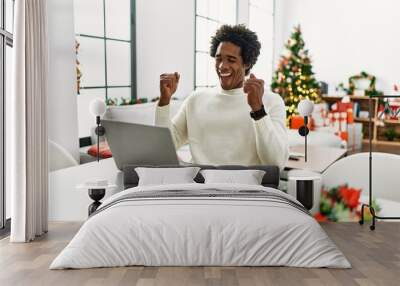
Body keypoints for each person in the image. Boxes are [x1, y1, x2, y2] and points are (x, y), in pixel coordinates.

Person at [155, 24, 288, 170]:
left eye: (231, 60)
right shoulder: (195, 99)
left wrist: (258, 110)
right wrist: (164, 101)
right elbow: (164, 146)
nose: (222, 66)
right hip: (198, 186)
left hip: (246, 188)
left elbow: (277, 163)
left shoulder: (271, 101)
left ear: (247, 63)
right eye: (219, 59)